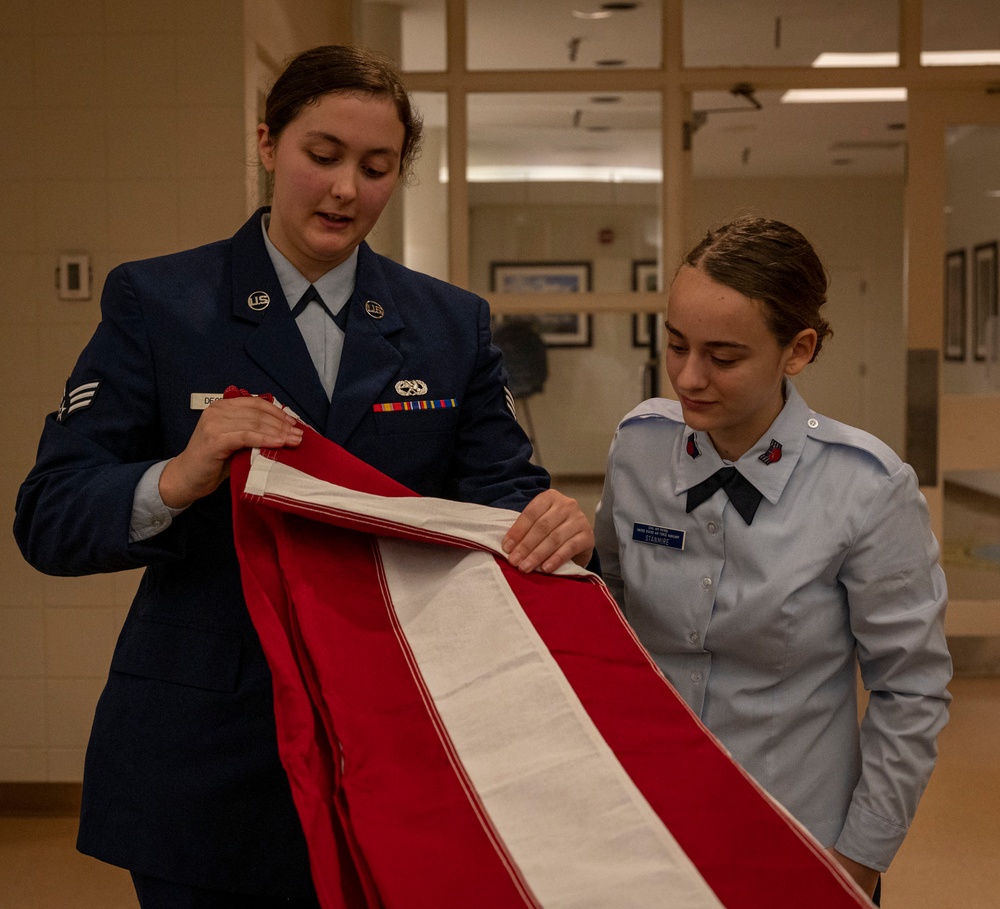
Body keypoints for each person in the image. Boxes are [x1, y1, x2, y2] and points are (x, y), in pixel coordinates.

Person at [14, 44, 593, 908]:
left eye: (376, 166)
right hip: (209, 749)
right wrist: (179, 474)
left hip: (396, 743)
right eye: (321, 156)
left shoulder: (449, 325)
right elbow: (51, 515)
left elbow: (508, 504)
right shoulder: (161, 303)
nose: (346, 190)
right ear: (266, 144)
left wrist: (558, 526)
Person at [593, 216, 952, 903]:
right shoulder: (638, 448)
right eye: (675, 345)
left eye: (724, 357)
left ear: (798, 350)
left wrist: (859, 859)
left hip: (795, 836)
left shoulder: (866, 488)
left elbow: (910, 690)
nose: (690, 376)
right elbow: (607, 611)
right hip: (647, 824)